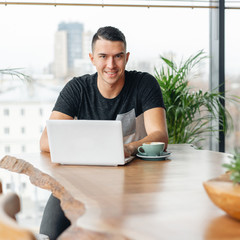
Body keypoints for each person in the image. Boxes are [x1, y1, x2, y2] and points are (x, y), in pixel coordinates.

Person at [39, 26, 168, 239]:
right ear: (92, 58)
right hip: (79, 181)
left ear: (126, 58)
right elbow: (45, 141)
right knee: (49, 234)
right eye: (103, 56)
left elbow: (160, 136)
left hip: (132, 185)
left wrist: (127, 148)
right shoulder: (77, 88)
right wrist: (97, 151)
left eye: (118, 56)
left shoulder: (144, 84)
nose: (111, 65)